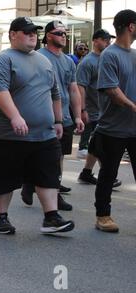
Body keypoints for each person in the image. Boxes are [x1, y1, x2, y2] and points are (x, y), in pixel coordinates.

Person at [0, 17, 74, 235]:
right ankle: (0, 218)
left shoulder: (44, 61)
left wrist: (58, 120)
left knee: (48, 174)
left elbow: (54, 93)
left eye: (34, 31)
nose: (32, 35)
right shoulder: (3, 60)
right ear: (12, 35)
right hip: (7, 135)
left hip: (43, 134)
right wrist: (15, 116)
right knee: (4, 178)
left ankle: (51, 217)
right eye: (26, 32)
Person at [21, 20, 85, 211]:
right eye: (59, 33)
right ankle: (34, 185)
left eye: (65, 33)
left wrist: (78, 115)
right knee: (43, 155)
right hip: (41, 115)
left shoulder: (68, 61)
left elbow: (73, 90)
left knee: (59, 157)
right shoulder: (37, 56)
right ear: (49, 36)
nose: (64, 36)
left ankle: (42, 187)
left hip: (63, 117)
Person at [90, 10, 136, 233]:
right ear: (131, 26)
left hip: (134, 128)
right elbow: (111, 89)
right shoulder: (110, 55)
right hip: (112, 128)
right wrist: (133, 106)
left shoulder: (135, 55)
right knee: (108, 174)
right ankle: (103, 215)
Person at [76, 29, 122, 190]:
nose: (108, 42)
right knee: (103, 145)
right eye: (105, 39)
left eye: (109, 39)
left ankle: (86, 172)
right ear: (95, 41)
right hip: (93, 110)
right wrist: (82, 110)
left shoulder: (106, 58)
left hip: (104, 110)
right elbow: (80, 87)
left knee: (96, 144)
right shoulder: (88, 62)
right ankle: (108, 175)